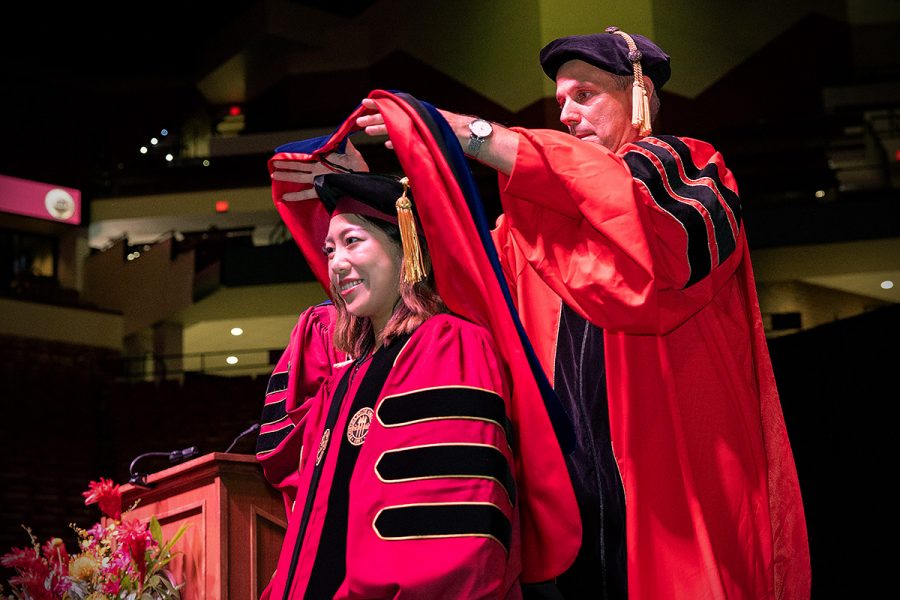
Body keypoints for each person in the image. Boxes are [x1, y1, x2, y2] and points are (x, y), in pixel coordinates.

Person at [280, 26, 810, 600]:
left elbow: (635, 222)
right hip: (572, 498)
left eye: (585, 96)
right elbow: (449, 281)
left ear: (640, 95)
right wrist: (367, 189)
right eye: (561, 103)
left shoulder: (689, 173)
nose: (570, 116)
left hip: (676, 489)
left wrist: (471, 134)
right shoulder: (531, 228)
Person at [256, 172, 522, 599]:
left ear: (407, 249)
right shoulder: (348, 376)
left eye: (353, 241)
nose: (336, 262)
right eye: (329, 249)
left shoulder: (447, 344)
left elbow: (446, 531)